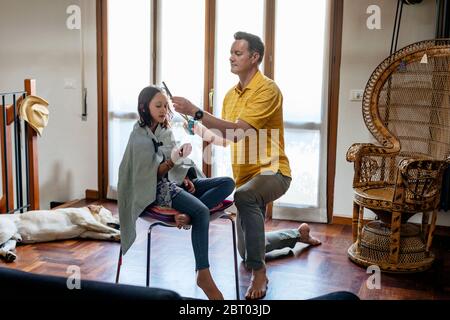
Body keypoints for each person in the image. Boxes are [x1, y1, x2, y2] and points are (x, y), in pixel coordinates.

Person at [172, 31, 321, 300]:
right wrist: (196, 127)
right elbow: (229, 138)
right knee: (249, 249)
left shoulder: (268, 90)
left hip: (274, 172)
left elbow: (241, 128)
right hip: (247, 178)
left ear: (255, 57)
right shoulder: (230, 96)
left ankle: (260, 273)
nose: (231, 57)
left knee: (244, 197)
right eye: (230, 52)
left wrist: (197, 110)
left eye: (237, 53)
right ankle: (298, 234)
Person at [117, 86, 235, 300]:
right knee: (201, 210)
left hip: (177, 183)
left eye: (165, 105)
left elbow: (177, 167)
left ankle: (187, 215)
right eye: (158, 105)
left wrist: (185, 176)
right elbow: (150, 176)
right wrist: (173, 160)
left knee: (227, 183)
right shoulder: (139, 137)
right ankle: (204, 274)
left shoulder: (165, 131)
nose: (163, 110)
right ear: (145, 108)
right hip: (158, 189)